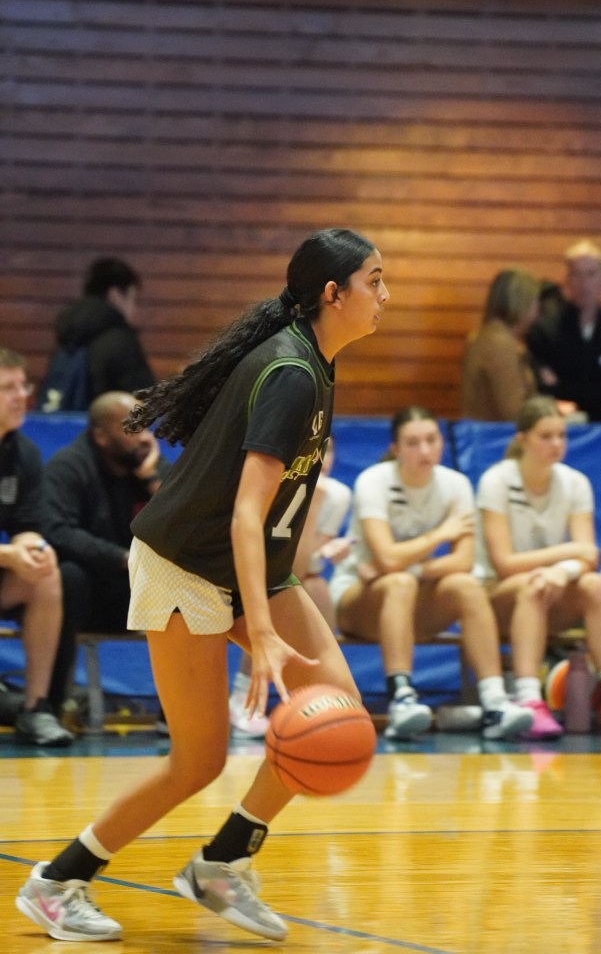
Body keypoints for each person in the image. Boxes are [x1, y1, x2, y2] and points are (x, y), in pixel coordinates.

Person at [16, 227, 389, 944]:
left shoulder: (315, 361)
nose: (385, 295)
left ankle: (221, 862)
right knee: (198, 760)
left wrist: (266, 612)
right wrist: (264, 633)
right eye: (374, 280)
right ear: (332, 294)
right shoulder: (290, 372)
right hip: (184, 563)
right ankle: (56, 883)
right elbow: (246, 513)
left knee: (339, 712)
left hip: (251, 568)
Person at [329, 405, 532, 742]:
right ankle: (402, 698)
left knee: (465, 585)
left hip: (415, 595)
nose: (424, 450)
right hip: (359, 601)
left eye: (431, 440)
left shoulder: (456, 484)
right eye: (412, 443)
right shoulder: (373, 481)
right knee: (398, 582)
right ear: (395, 449)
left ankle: (495, 701)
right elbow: (387, 558)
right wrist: (440, 535)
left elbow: (462, 561)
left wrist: (409, 565)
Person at [476, 395, 601, 740]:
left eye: (561, 435)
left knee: (594, 585)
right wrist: (564, 555)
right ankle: (529, 699)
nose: (556, 444)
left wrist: (563, 571)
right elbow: (504, 564)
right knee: (532, 584)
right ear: (522, 439)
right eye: (546, 436)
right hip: (497, 599)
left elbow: (588, 557)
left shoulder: (575, 482)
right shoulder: (496, 481)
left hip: (551, 592)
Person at [43, 391, 171, 717]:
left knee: (184, 580)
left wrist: (151, 479)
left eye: (145, 427)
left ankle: (175, 712)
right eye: (132, 428)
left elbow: (183, 524)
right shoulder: (69, 466)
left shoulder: (150, 466)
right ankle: (50, 705)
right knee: (67, 577)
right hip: (87, 596)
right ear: (101, 436)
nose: (144, 437)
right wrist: (121, 558)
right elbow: (58, 531)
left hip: (136, 593)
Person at [0, 347, 73, 747]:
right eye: (7, 388)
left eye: (22, 386)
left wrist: (32, 549)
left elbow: (27, 524)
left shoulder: (22, 452)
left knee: (47, 575)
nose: (20, 397)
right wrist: (8, 555)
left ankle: (35, 708)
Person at [526, 238, 601, 423]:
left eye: (591, 274)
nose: (584, 283)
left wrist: (565, 388)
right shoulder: (544, 332)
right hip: (558, 430)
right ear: (567, 279)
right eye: (576, 275)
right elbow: (544, 391)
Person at [40, 257, 155, 408]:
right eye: (133, 299)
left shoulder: (69, 332)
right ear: (115, 294)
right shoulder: (120, 339)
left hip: (65, 419)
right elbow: (144, 397)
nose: (134, 309)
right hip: (107, 421)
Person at [459, 267, 540, 421]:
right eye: (535, 303)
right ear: (523, 304)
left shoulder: (484, 338)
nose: (536, 313)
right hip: (498, 434)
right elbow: (513, 412)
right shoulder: (500, 345)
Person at [292, 435, 352, 629]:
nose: (322, 458)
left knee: (315, 586)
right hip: (250, 578)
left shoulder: (338, 495)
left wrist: (325, 553)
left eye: (328, 450)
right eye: (313, 449)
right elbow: (292, 571)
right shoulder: (275, 488)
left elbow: (306, 568)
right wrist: (312, 504)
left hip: (295, 578)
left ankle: (326, 649)